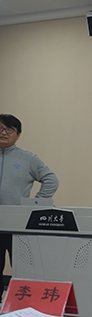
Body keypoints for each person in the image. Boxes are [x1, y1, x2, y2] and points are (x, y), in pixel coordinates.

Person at [0, 114, 59, 281]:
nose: (3, 132)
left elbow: (51, 180)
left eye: (9, 129)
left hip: (17, 224)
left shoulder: (28, 158)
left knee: (22, 269)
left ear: (18, 134)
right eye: (0, 128)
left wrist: (33, 204)